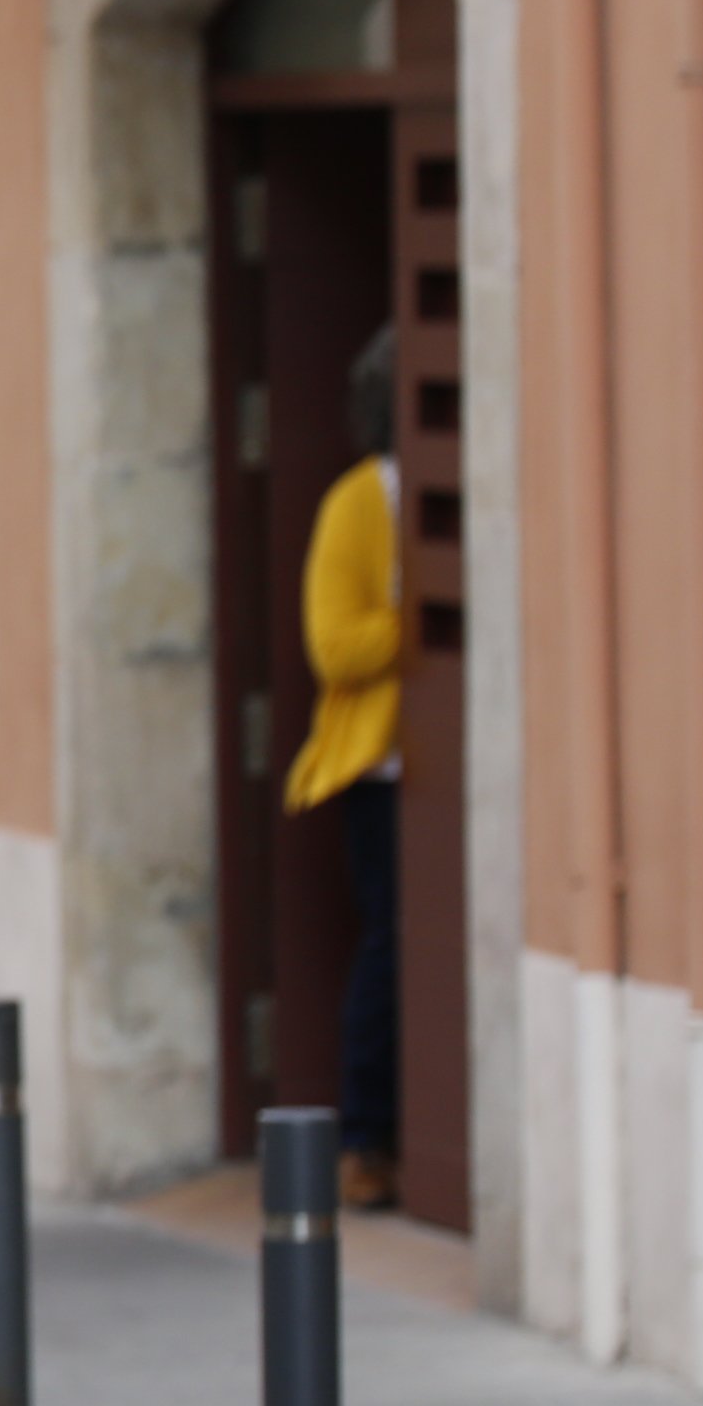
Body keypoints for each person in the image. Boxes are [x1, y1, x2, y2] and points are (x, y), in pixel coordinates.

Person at [285, 325, 404, 1212]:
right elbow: (333, 644)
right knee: (392, 946)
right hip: (377, 772)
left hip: (433, 771)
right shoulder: (356, 505)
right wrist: (419, 627)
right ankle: (365, 1138)